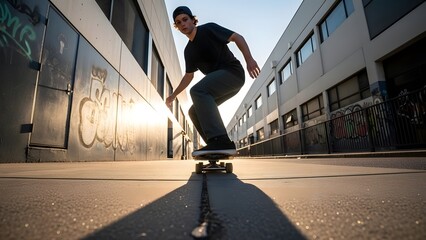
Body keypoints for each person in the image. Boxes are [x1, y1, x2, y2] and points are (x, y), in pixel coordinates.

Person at [166, 6, 260, 157]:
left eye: (185, 19)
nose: (183, 24)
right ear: (177, 27)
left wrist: (249, 59)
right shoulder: (188, 51)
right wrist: (173, 96)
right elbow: (188, 76)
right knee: (194, 111)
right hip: (221, 84)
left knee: (197, 91)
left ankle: (220, 140)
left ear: (192, 20)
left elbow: (237, 37)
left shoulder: (208, 29)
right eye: (178, 22)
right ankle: (216, 145)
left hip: (233, 73)